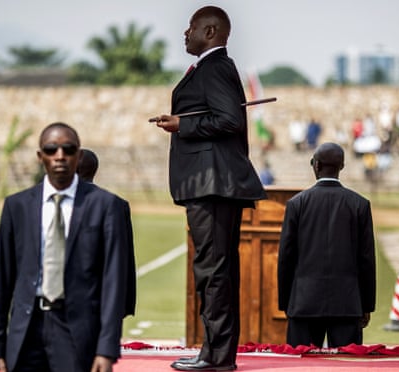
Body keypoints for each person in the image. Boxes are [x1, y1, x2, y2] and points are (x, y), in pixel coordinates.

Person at [151, 6, 266, 371]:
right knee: (217, 270)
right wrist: (185, 121)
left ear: (211, 31)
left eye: (192, 28)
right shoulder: (210, 67)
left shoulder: (215, 67)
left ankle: (214, 355)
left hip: (212, 184)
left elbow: (229, 119)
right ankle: (217, 353)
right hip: (210, 183)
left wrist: (181, 126)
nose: (185, 33)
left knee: (212, 272)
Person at [0, 122, 136, 372]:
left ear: (78, 155)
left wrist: (107, 348)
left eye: (68, 149)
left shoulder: (106, 206)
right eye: (51, 149)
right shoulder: (17, 206)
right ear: (40, 156)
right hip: (26, 330)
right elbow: (2, 280)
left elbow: (113, 283)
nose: (60, 156)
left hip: (76, 331)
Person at [278, 142, 376, 348]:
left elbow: (286, 257)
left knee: (301, 368)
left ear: (316, 165)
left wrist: (287, 301)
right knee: (345, 367)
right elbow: (366, 260)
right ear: (342, 167)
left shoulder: (297, 204)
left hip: (304, 302)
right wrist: (366, 305)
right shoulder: (359, 204)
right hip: (347, 304)